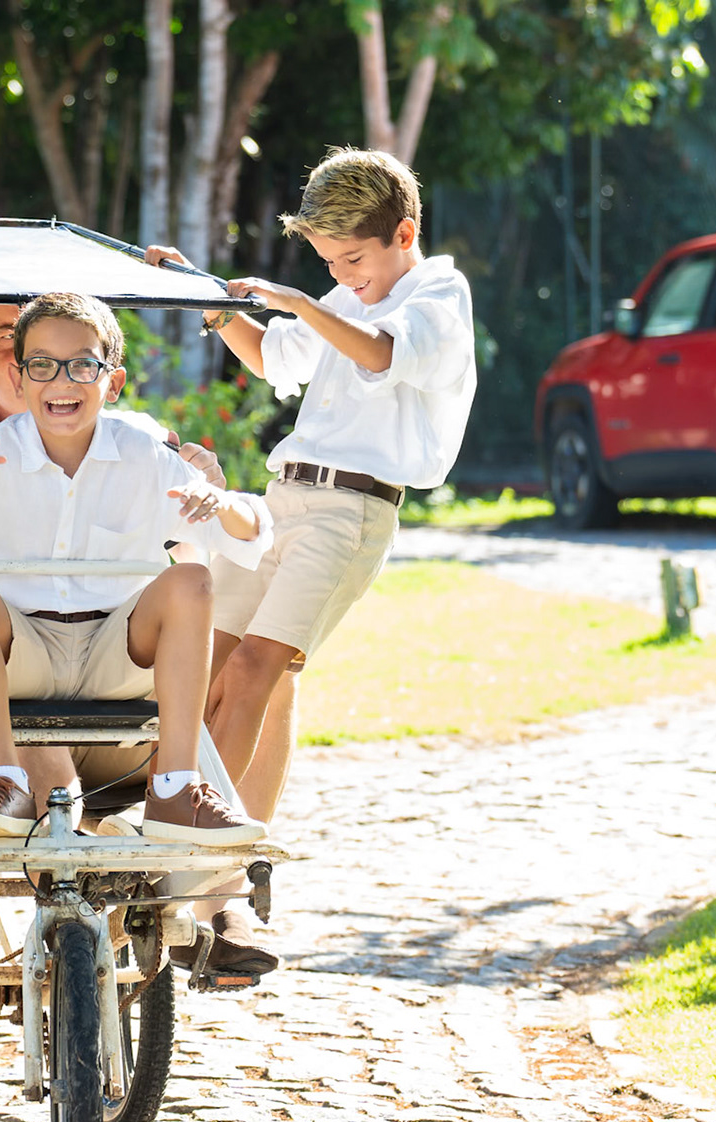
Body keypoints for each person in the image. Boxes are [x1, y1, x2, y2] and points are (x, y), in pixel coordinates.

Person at [0, 292, 272, 847]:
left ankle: (176, 789)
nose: (62, 382)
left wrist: (223, 504)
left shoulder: (145, 455)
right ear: (20, 376)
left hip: (117, 655)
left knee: (190, 581)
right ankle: (5, 779)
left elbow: (251, 535)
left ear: (113, 381)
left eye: (82, 366)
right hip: (19, 656)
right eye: (42, 366)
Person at [147, 145, 477, 829]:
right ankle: (167, 832)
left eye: (351, 259)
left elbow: (382, 353)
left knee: (253, 674)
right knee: (202, 672)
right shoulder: (344, 297)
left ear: (404, 233)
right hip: (282, 501)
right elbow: (271, 355)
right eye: (328, 263)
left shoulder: (439, 296)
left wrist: (297, 300)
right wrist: (204, 296)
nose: (341, 277)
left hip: (350, 514)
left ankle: (182, 843)